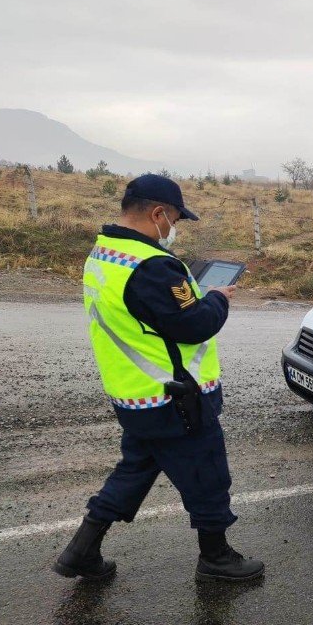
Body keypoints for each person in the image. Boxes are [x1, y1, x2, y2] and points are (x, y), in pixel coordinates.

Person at [53, 174, 263, 582]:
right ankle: (216, 558)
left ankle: (81, 551)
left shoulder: (105, 253)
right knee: (207, 472)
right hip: (174, 397)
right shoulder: (153, 267)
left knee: (135, 469)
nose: (174, 229)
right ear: (157, 214)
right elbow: (194, 324)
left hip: (134, 395)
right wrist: (217, 298)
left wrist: (185, 289)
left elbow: (152, 312)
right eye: (176, 220)